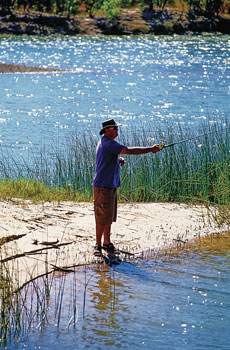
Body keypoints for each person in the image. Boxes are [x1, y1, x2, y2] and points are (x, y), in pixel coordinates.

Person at [92, 119, 162, 256]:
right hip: (103, 186)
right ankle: (97, 245)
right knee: (101, 217)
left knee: (109, 216)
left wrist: (117, 161)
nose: (117, 131)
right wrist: (150, 149)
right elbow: (128, 150)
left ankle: (107, 242)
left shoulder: (106, 143)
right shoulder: (109, 143)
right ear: (107, 130)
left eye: (117, 128)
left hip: (110, 185)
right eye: (115, 129)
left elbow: (105, 158)